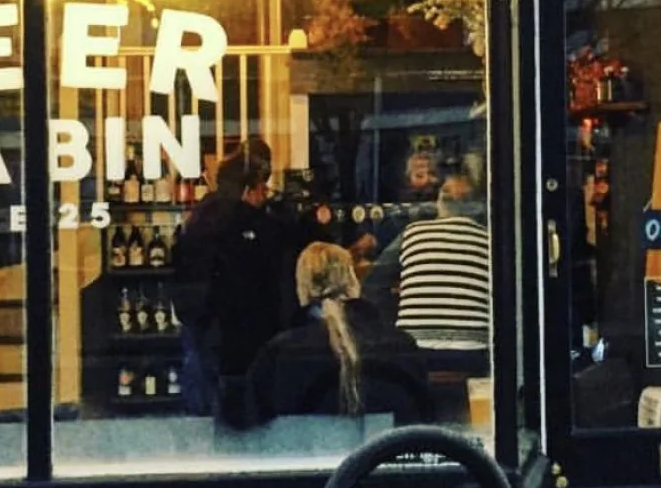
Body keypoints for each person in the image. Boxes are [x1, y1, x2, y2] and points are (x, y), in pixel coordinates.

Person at [172, 144, 299, 419]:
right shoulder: (249, 222)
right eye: (262, 189)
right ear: (249, 189)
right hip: (241, 328)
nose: (265, 195)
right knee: (244, 405)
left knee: (202, 400)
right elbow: (269, 270)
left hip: (201, 322)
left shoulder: (198, 218)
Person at [246, 242, 424, 423]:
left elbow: (254, 427)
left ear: (302, 289)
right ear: (354, 283)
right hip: (385, 450)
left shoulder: (279, 353)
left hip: (308, 449)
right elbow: (421, 420)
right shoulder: (401, 345)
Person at [361, 174, 490, 352]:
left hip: (415, 348)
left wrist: (397, 321)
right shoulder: (489, 241)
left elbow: (374, 283)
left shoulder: (413, 233)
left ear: (440, 201)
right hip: (474, 350)